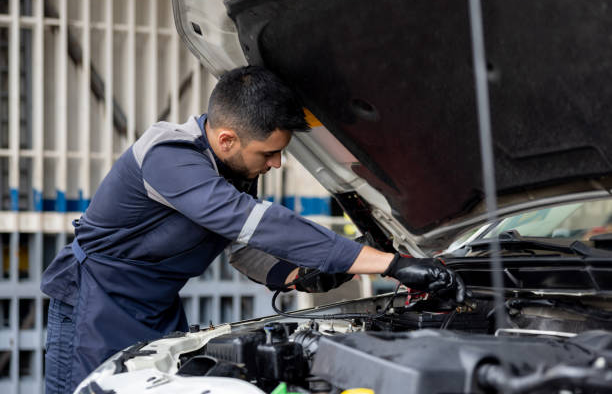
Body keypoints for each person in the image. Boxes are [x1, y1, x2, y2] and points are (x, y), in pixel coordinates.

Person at [41, 66, 465, 393]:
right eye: (270, 153)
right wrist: (391, 264)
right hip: (95, 306)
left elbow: (242, 245)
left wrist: (301, 273)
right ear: (227, 139)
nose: (276, 164)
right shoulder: (168, 155)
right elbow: (254, 221)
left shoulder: (231, 165)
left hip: (158, 309)